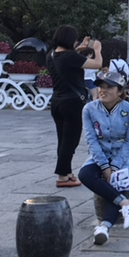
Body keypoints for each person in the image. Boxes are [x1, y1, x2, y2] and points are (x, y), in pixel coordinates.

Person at [78, 70, 129, 245]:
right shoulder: (89, 109)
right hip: (100, 153)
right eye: (100, 87)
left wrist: (116, 166)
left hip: (124, 155)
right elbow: (91, 140)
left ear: (119, 91)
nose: (102, 91)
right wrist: (104, 166)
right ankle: (125, 203)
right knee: (85, 174)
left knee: (117, 181)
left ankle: (104, 228)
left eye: (109, 87)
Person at [47, 25, 102, 188]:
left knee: (63, 140)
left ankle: (67, 172)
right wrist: (97, 49)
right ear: (69, 39)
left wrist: (78, 49)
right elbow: (97, 64)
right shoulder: (70, 57)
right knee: (70, 141)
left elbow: (66, 59)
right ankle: (62, 176)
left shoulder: (51, 55)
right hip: (72, 103)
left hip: (57, 102)